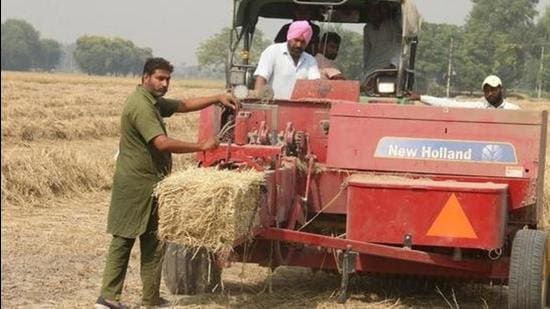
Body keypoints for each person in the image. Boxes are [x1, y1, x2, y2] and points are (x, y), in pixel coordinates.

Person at [94, 57, 238, 309]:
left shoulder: (152, 102)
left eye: (168, 79)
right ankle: (107, 298)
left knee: (154, 241)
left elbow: (182, 105)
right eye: (160, 78)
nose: (164, 84)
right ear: (145, 77)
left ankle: (151, 299)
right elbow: (160, 143)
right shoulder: (140, 105)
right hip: (135, 184)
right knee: (123, 239)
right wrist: (201, 145)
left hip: (153, 183)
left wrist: (217, 97)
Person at [254, 21, 321, 100]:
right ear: (289, 37)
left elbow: (315, 85)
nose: (298, 45)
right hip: (273, 106)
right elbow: (261, 78)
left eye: (303, 42)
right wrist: (259, 102)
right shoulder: (272, 51)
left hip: (299, 108)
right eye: (296, 40)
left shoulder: (310, 60)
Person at [409, 75, 520, 110]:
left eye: (493, 90)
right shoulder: (479, 107)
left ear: (501, 89)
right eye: (487, 91)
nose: (490, 93)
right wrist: (421, 98)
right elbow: (449, 104)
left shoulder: (514, 110)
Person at [363, 1, 402, 80]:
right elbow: (366, 52)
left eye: (375, 9)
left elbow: (400, 47)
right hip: (371, 71)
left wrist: (393, 65)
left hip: (389, 71)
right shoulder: (367, 28)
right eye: (369, 9)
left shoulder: (394, 26)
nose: (372, 12)